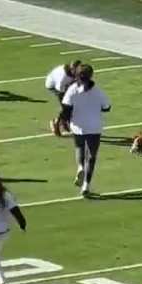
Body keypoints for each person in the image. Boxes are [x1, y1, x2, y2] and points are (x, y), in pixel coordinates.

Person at [57, 65, 111, 196]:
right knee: (91, 157)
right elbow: (107, 107)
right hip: (94, 127)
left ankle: (80, 166)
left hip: (78, 126)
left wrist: (60, 122)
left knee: (79, 148)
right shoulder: (98, 91)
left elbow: (65, 109)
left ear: (77, 76)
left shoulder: (72, 90)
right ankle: (86, 185)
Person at [46, 60, 82, 134]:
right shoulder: (63, 77)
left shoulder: (72, 73)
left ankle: (64, 122)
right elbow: (60, 90)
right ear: (72, 69)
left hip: (64, 85)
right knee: (67, 107)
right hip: (54, 86)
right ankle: (56, 122)